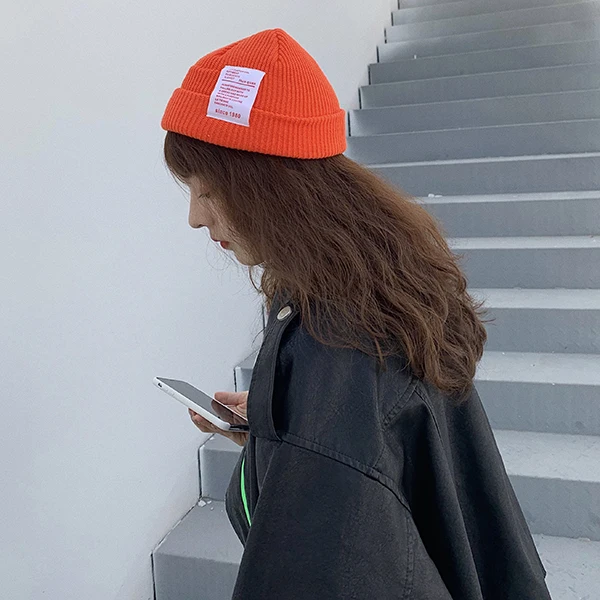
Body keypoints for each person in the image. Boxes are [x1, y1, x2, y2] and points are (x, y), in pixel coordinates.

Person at [160, 27, 551, 600]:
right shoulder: (373, 284)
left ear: (270, 187)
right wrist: (280, 426)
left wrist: (312, 437)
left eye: (209, 191)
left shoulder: (338, 350)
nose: (195, 217)